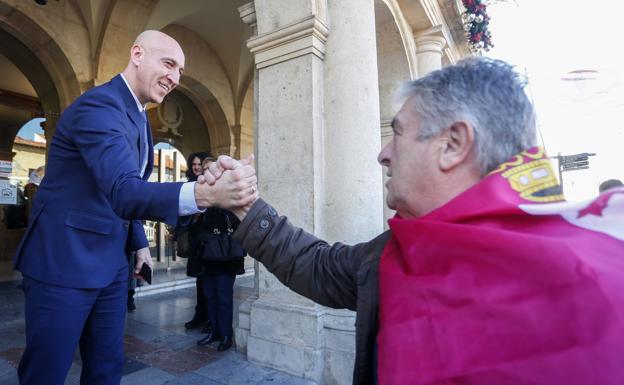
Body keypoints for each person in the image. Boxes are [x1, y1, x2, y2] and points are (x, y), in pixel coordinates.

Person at [206, 57, 624, 385]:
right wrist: (246, 205)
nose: (383, 153)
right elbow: (319, 267)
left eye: (398, 132)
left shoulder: (592, 287)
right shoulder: (395, 248)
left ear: (453, 144)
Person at [13, 30, 257, 385]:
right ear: (138, 54)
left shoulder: (142, 117)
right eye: (169, 63)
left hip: (113, 264)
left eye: (181, 71)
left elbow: (116, 188)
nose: (175, 78)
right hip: (62, 263)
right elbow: (124, 191)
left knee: (107, 368)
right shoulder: (98, 106)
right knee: (46, 373)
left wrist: (139, 241)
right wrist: (206, 195)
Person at [195, 156, 246, 351]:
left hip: (226, 256)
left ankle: (226, 334)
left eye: (210, 168)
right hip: (208, 256)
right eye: (204, 169)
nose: (206, 172)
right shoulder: (203, 196)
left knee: (223, 297)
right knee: (210, 295)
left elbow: (237, 223)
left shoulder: (229, 194)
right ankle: (214, 331)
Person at [180, 151, 211, 331]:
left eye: (200, 165)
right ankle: (199, 315)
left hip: (209, 241)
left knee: (208, 283)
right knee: (200, 282)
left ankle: (209, 318)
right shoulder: (189, 185)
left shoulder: (211, 184)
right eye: (194, 165)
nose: (197, 167)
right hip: (196, 241)